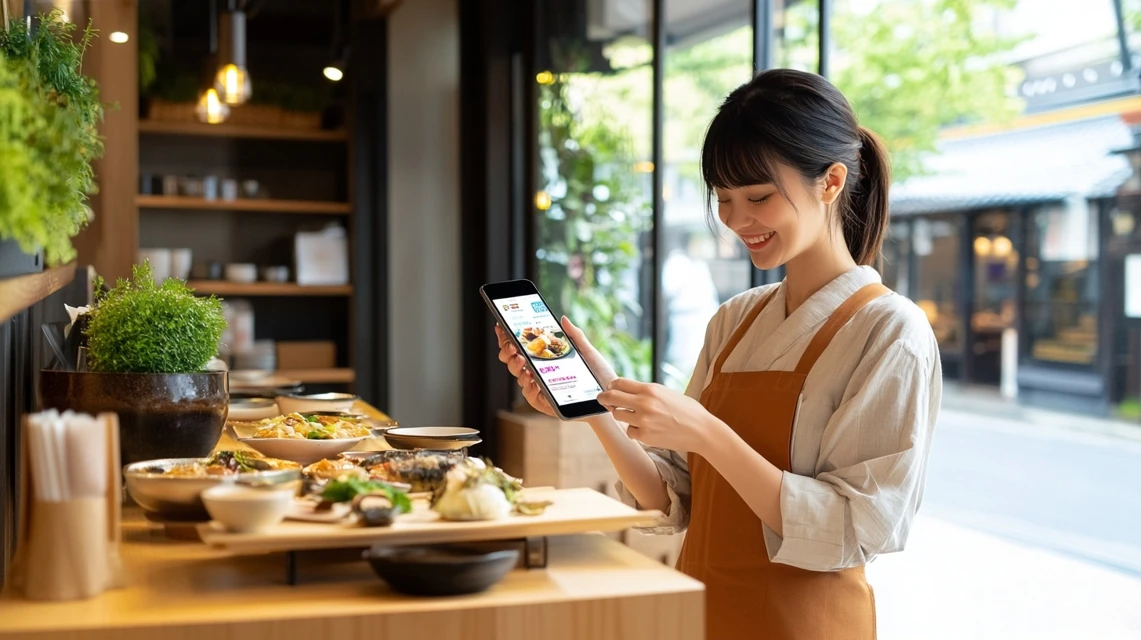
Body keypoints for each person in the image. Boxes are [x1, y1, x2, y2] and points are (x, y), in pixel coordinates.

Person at [495, 68, 941, 639]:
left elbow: (857, 527)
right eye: (724, 199)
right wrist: (596, 407)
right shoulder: (737, 318)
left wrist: (707, 431)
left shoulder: (889, 330)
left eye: (757, 197)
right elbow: (674, 496)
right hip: (703, 615)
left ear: (831, 182)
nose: (734, 220)